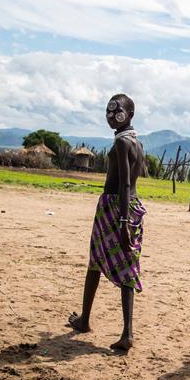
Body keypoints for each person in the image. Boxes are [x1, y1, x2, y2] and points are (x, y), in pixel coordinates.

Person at [68, 94, 146, 352]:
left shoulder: (123, 143)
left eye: (118, 111)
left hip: (117, 209)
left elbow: (125, 182)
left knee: (98, 263)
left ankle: (117, 330)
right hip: (125, 207)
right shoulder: (135, 142)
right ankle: (95, 322)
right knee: (122, 266)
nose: (112, 116)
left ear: (130, 115)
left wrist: (122, 221)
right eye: (109, 111)